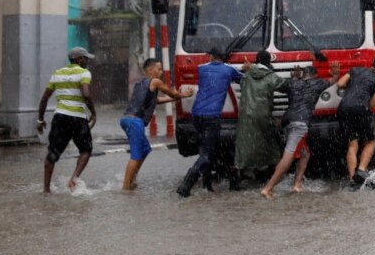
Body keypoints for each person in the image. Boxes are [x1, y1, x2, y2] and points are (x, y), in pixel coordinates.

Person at [176, 47, 244, 197]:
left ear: (211, 57)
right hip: (212, 117)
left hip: (196, 115)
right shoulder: (229, 70)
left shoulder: (201, 68)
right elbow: (244, 79)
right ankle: (186, 185)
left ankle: (207, 185)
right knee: (207, 154)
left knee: (205, 149)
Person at [120, 59, 193, 191]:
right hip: (135, 121)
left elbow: (157, 100)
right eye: (158, 69)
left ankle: (133, 179)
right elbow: (171, 93)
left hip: (126, 119)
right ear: (150, 70)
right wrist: (181, 94)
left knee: (145, 149)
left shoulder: (140, 84)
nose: (160, 72)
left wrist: (176, 97)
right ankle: (125, 189)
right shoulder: (155, 81)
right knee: (136, 155)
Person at [260, 66, 329, 199]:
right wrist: (335, 74)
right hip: (300, 123)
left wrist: (294, 78)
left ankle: (297, 185)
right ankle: (268, 188)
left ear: (303, 75)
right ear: (315, 75)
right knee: (288, 156)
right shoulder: (318, 83)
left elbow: (285, 86)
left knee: (305, 153)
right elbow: (334, 80)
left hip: (287, 120)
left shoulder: (293, 83)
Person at [36, 47, 98, 193]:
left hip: (60, 117)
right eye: (85, 58)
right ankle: (73, 179)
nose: (87, 61)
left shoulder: (57, 73)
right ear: (78, 59)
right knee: (86, 150)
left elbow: (45, 98)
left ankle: (46, 190)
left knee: (52, 153)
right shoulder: (84, 73)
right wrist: (93, 113)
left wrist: (40, 120)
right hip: (78, 118)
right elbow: (86, 94)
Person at [331, 54, 375, 190]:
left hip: (344, 107)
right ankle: (361, 170)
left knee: (352, 143)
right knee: (370, 141)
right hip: (361, 109)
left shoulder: (355, 70)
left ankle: (353, 180)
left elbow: (340, 83)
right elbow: (373, 103)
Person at [233, 50, 287, 190]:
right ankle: (275, 177)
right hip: (263, 115)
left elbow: (237, 78)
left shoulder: (247, 74)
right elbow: (286, 87)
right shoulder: (271, 76)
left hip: (245, 116)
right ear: (269, 62)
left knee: (244, 145)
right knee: (270, 145)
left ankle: (237, 176)